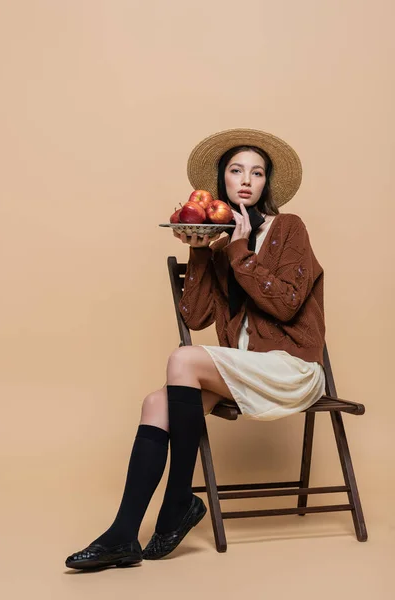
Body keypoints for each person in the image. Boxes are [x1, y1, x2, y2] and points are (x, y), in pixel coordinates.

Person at [65, 128, 326, 571]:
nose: (246, 180)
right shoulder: (221, 242)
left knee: (182, 358)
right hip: (243, 373)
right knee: (154, 403)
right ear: (222, 181)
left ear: (267, 184)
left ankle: (178, 501)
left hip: (291, 369)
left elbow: (286, 304)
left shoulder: (289, 228)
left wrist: (241, 250)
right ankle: (123, 534)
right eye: (236, 171)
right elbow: (196, 316)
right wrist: (204, 249)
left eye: (257, 173)